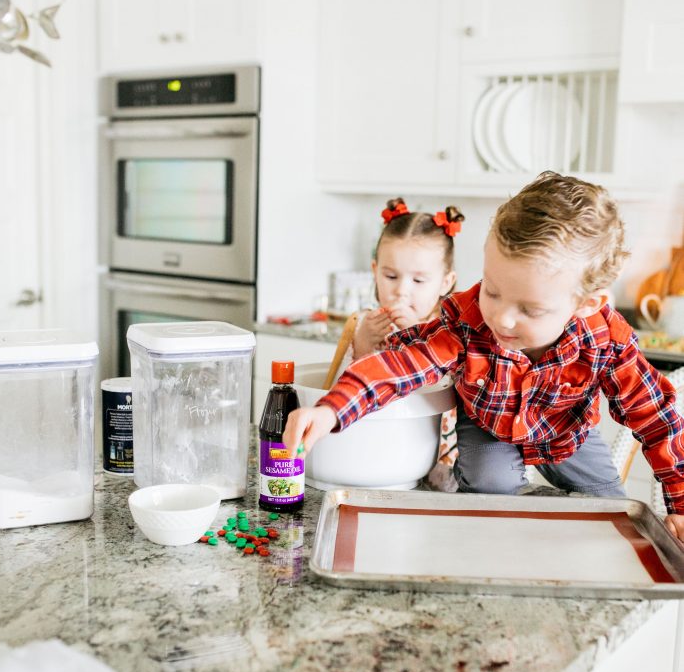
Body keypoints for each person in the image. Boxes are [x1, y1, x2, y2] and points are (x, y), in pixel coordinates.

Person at [283, 171, 684, 542]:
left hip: (567, 432)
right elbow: (398, 366)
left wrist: (681, 504)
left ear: (584, 304)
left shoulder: (607, 340)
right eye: (492, 290)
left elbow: (657, 417)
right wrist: (331, 409)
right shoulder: (466, 321)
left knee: (609, 511)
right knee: (489, 498)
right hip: (489, 427)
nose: (502, 317)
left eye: (530, 309)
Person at [335, 197, 465, 490]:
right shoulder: (365, 324)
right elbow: (341, 390)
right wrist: (364, 344)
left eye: (419, 281)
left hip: (440, 461)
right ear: (374, 270)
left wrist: (419, 338)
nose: (401, 291)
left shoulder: (453, 331)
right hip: (378, 456)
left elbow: (454, 390)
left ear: (446, 282)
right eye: (390, 276)